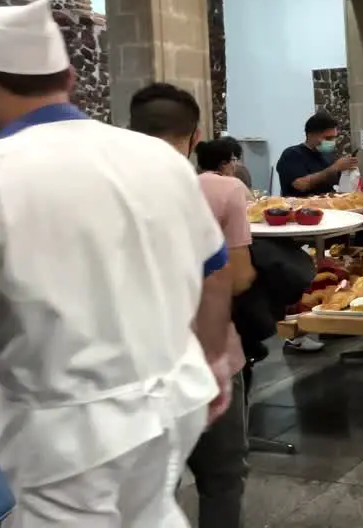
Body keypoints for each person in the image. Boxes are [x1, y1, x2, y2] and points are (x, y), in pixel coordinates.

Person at [0, 1, 230, 526]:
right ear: (68, 77)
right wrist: (212, 361)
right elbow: (214, 270)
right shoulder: (158, 158)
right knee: (154, 512)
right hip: (172, 402)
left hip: (68, 432)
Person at [131, 84, 255, 528]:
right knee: (221, 479)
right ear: (196, 135)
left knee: (146, 490)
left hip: (135, 362)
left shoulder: (104, 189)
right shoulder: (220, 190)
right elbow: (237, 277)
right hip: (208, 353)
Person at [276, 111, 356, 197]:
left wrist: (346, 169)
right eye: (328, 138)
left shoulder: (327, 156)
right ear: (311, 135)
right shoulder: (292, 155)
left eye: (334, 138)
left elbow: (337, 185)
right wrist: (335, 168)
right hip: (300, 208)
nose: (332, 142)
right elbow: (301, 185)